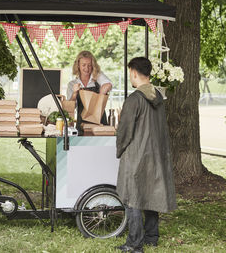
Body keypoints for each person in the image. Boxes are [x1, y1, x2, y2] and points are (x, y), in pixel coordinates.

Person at [115, 57, 177, 253]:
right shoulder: (158, 96)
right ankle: (151, 237)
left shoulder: (134, 99)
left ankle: (135, 243)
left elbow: (125, 132)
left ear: (133, 72)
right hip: (155, 153)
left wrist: (120, 149)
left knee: (132, 197)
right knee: (150, 194)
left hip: (137, 154)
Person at [66, 51, 112, 134]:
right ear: (78, 66)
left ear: (93, 66)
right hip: (82, 124)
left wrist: (101, 94)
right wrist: (74, 93)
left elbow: (108, 85)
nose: (87, 68)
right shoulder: (72, 84)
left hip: (100, 123)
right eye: (83, 65)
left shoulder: (97, 77)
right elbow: (70, 108)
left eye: (89, 65)